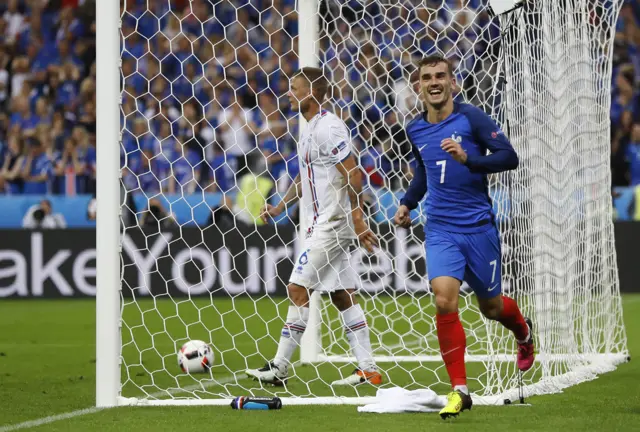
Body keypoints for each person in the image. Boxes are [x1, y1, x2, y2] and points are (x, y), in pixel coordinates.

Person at [394, 55, 535, 419]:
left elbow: (509, 157)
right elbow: (425, 173)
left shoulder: (471, 117)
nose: (435, 82)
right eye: (427, 77)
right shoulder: (415, 130)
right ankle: (459, 389)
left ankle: (523, 332)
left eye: (441, 75)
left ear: (453, 82)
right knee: (444, 300)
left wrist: (469, 160)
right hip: (440, 228)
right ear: (419, 86)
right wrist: (408, 203)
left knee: (491, 308)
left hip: (478, 228)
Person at [245, 67, 382, 386]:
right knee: (342, 295)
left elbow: (353, 173)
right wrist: (280, 205)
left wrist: (359, 220)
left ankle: (279, 367)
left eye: (294, 87)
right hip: (323, 222)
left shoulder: (329, 128)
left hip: (334, 221)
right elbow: (305, 177)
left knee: (297, 288)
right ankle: (368, 368)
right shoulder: (307, 129)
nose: (288, 93)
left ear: (311, 93)